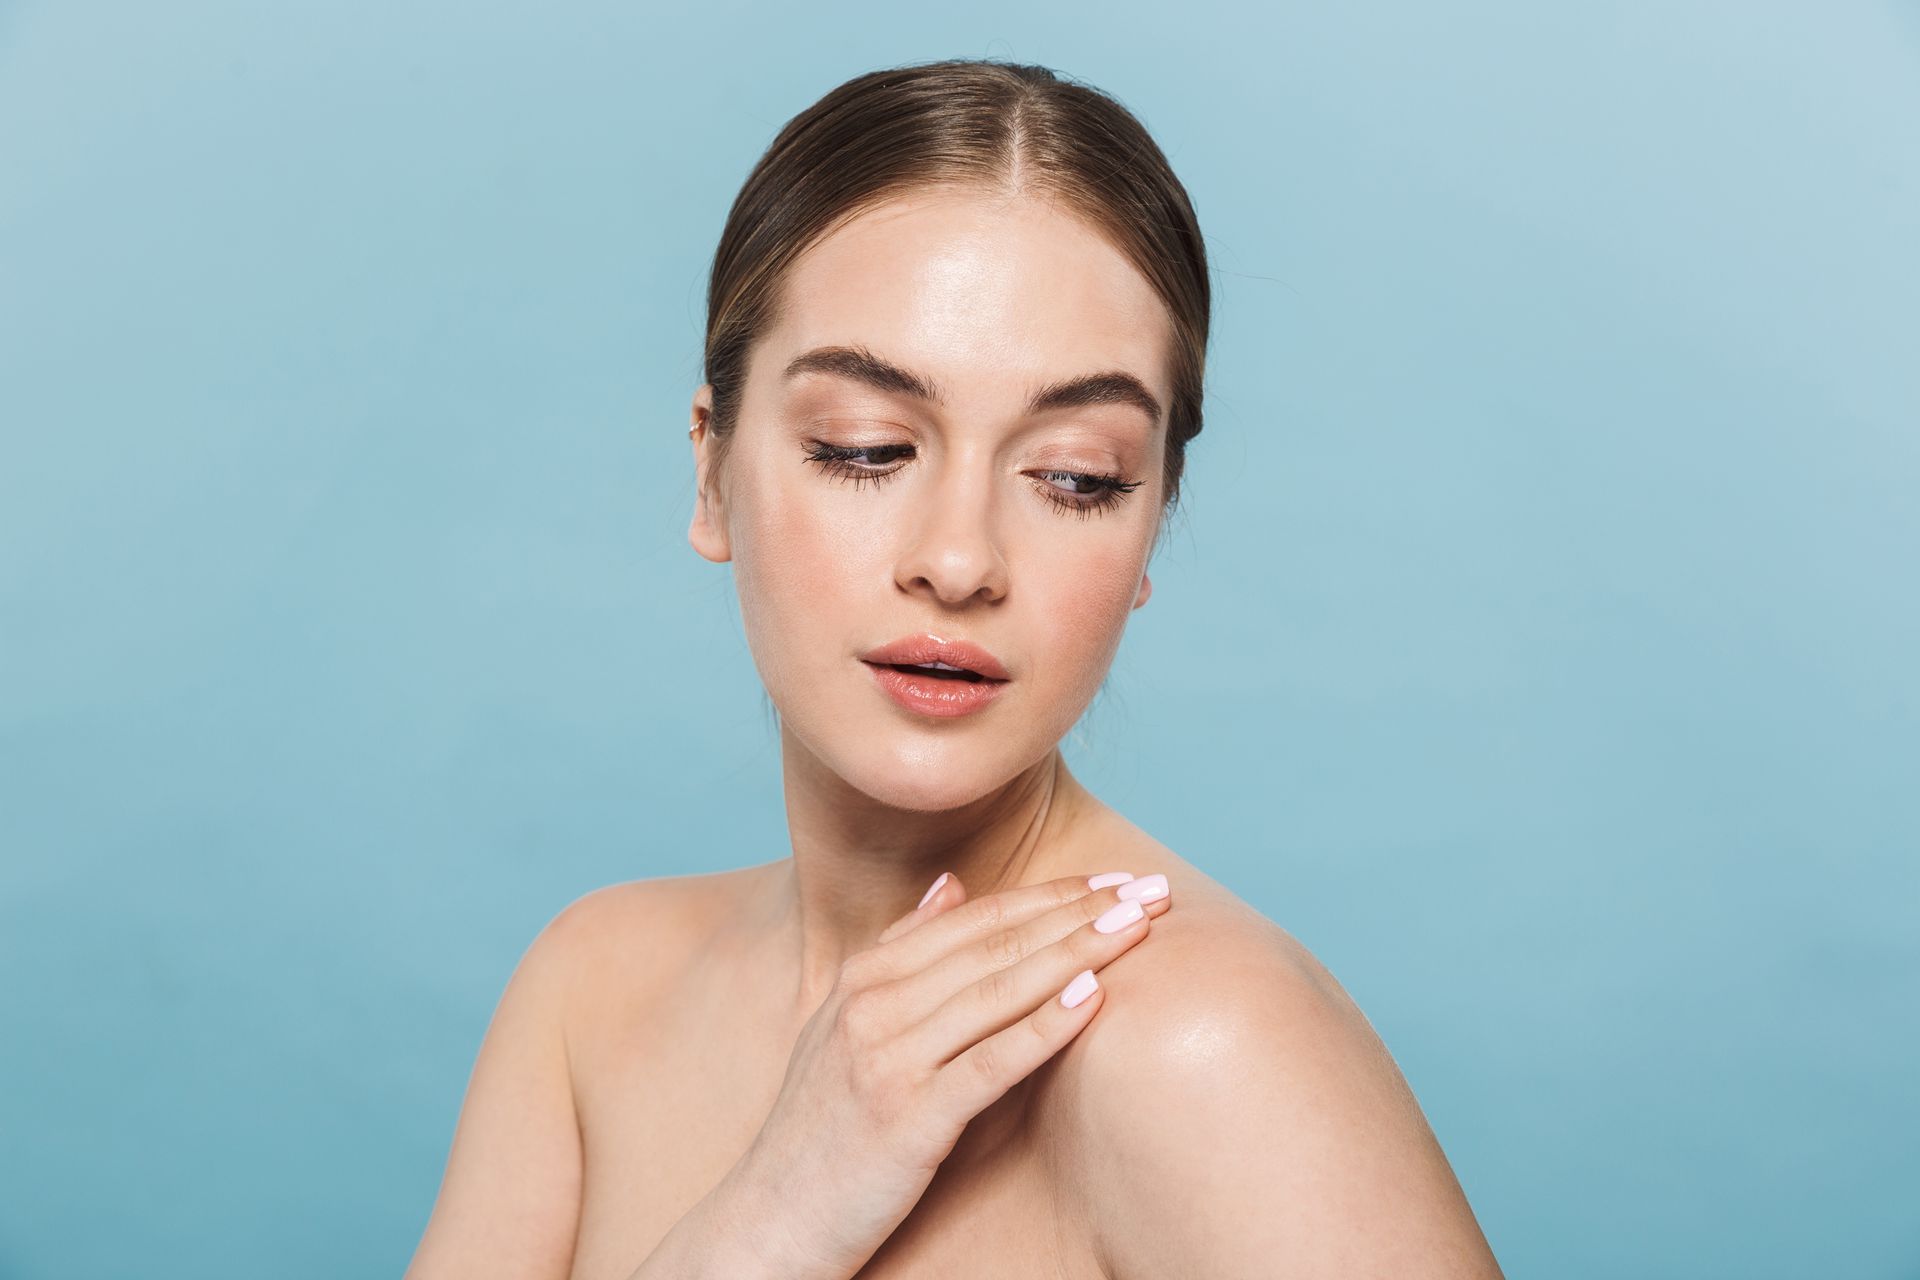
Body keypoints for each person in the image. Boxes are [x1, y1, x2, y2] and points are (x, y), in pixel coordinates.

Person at [406, 57, 1504, 1279]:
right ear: (712, 471)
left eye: (1076, 475)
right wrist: (774, 1214)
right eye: (866, 448)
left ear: (1150, 528)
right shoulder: (589, 992)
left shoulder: (1208, 1051)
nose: (960, 558)